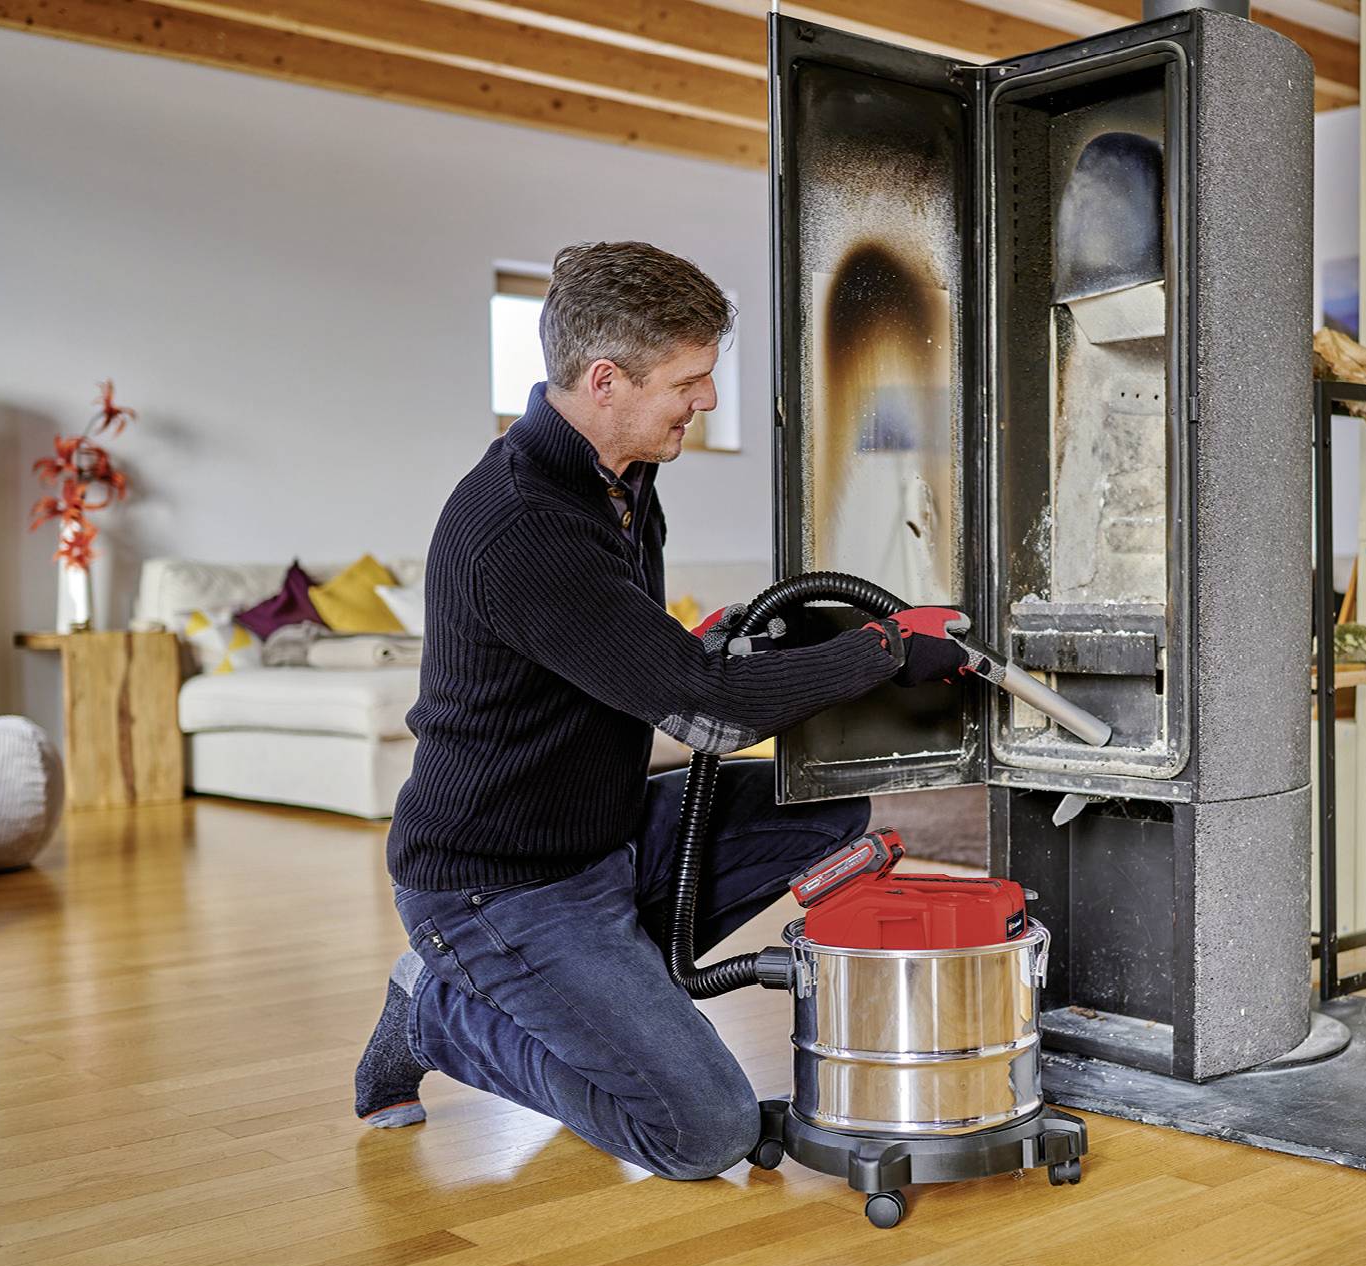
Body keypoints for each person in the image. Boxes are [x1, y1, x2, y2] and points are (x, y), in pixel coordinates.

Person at [353, 240, 969, 1180]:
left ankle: (615, 995)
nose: (709, 399)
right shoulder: (523, 524)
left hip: (601, 838)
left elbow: (645, 656)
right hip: (497, 886)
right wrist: (883, 651)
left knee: (825, 806)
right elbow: (708, 717)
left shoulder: (624, 483)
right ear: (606, 380)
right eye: (690, 379)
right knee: (706, 1132)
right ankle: (441, 1012)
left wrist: (733, 646)